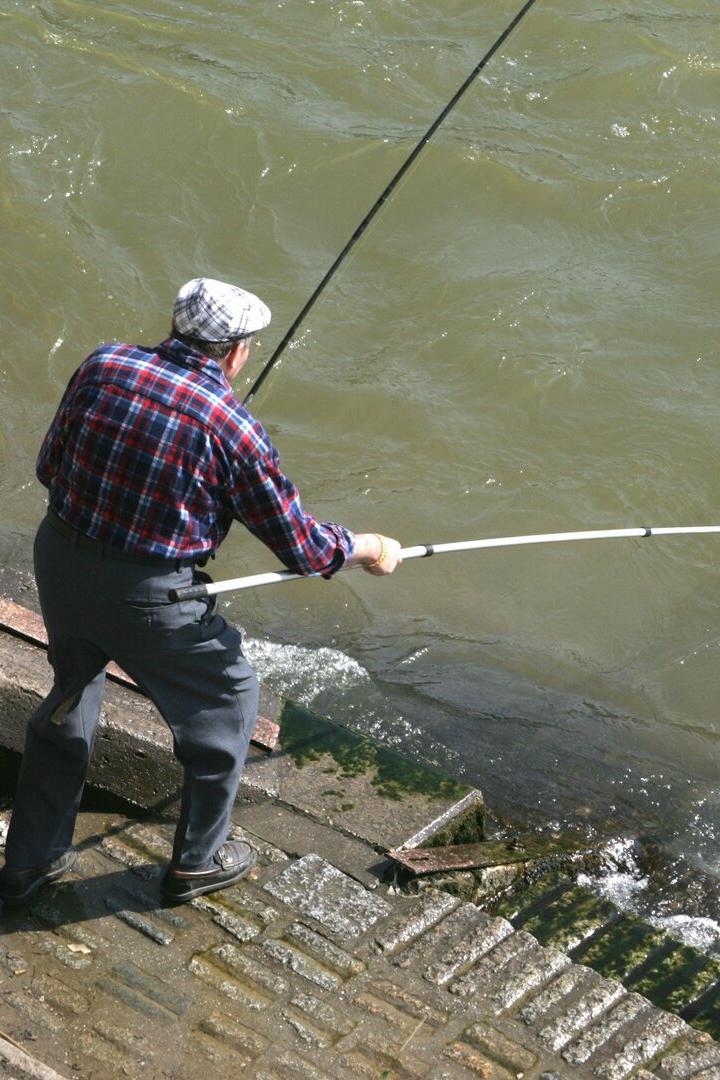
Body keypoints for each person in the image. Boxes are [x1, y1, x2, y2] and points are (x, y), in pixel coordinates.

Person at [0, 277, 402, 906]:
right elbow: (303, 549)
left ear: (177, 324)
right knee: (230, 701)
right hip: (150, 597)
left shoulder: (103, 364)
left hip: (60, 560)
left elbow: (49, 466)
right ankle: (197, 863)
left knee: (70, 696)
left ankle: (30, 860)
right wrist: (369, 546)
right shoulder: (233, 427)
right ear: (237, 351)